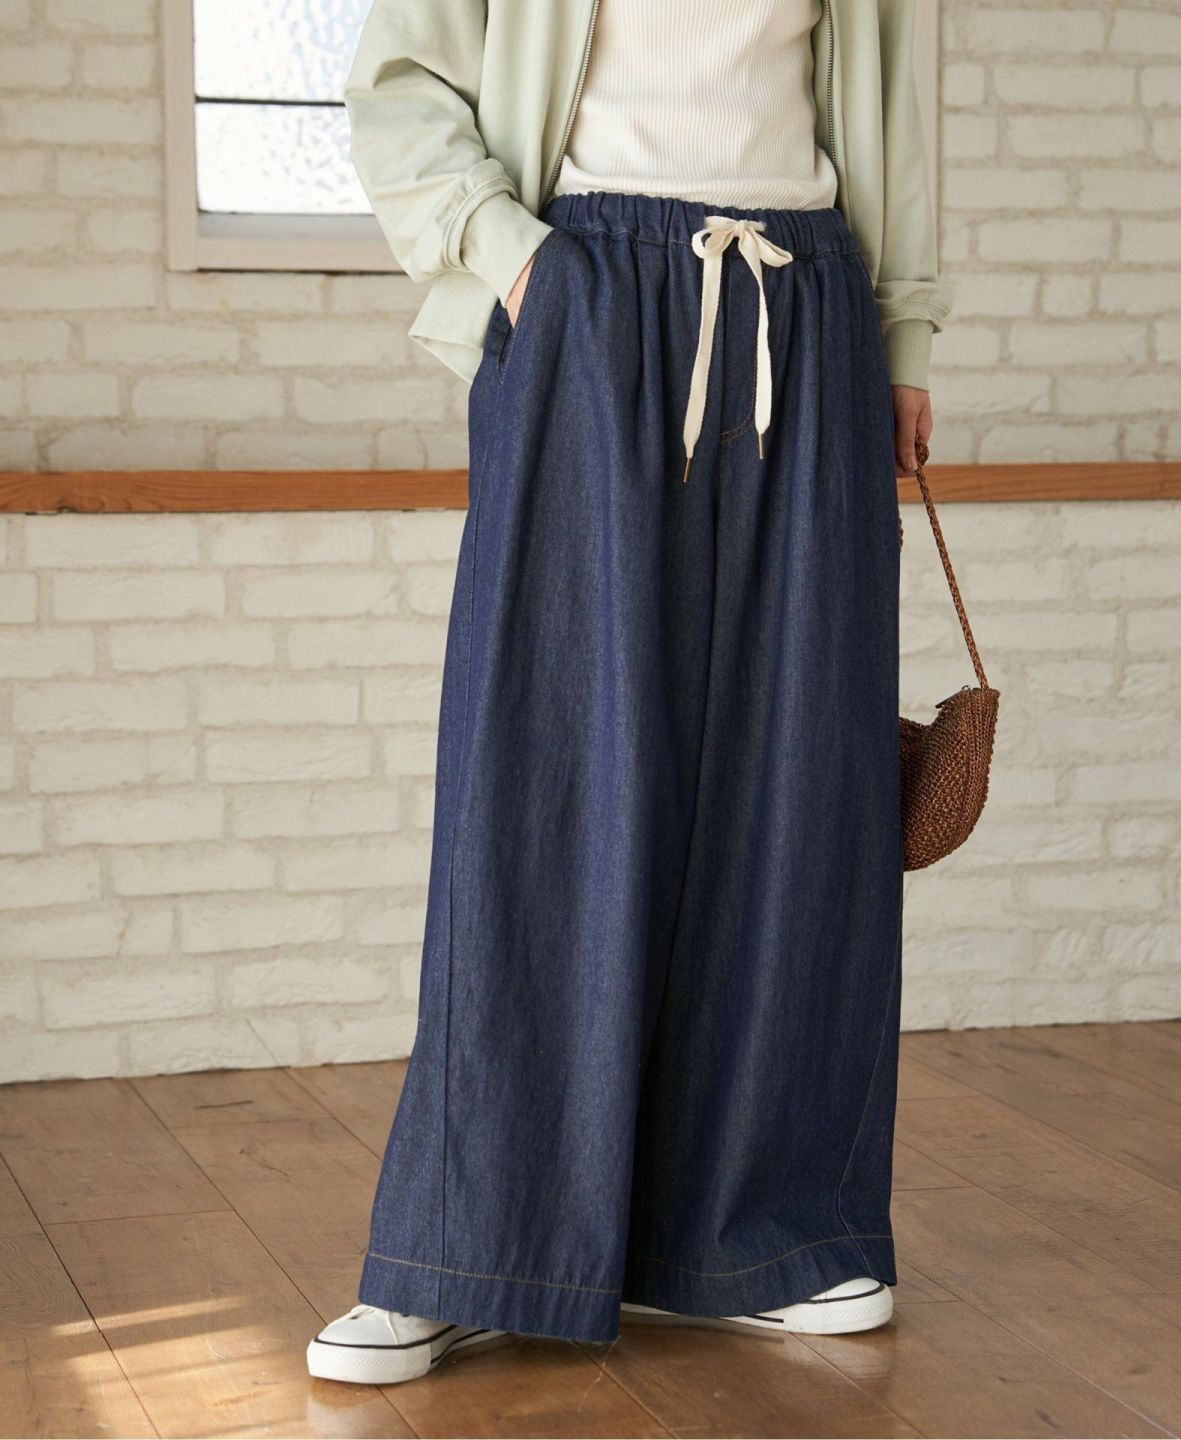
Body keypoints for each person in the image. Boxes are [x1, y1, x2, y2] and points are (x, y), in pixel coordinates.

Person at [307, 0, 954, 1387]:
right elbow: (401, 84)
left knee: (800, 785)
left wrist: (900, 338)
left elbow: (894, 101)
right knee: (546, 774)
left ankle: (766, 1239)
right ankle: (474, 1247)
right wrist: (513, 256)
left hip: (809, 299)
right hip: (584, 285)